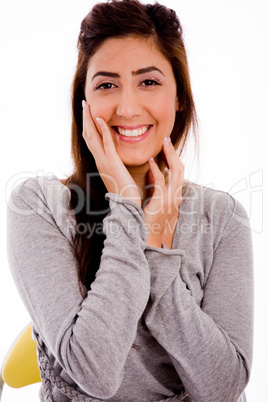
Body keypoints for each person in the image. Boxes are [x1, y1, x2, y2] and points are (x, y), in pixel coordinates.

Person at [6, 0, 254, 401]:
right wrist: (125, 204)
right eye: (106, 84)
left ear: (179, 98)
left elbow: (223, 388)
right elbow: (95, 372)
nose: (127, 107)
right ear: (83, 104)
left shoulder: (221, 216)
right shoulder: (38, 205)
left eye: (149, 82)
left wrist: (156, 254)